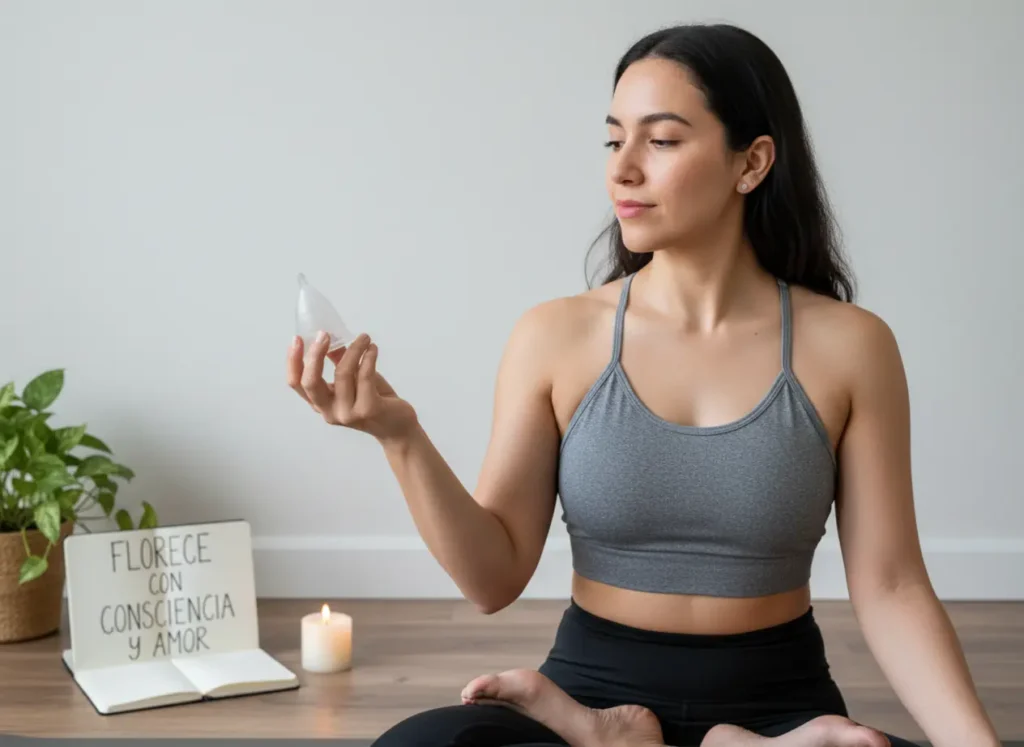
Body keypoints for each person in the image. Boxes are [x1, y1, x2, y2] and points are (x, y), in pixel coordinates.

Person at [286, 22, 1001, 747]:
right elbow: (492, 576)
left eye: (660, 141)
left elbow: (891, 587)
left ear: (750, 164)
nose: (622, 169)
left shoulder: (852, 345)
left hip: (783, 706)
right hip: (590, 692)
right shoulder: (555, 336)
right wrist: (399, 436)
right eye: (613, 139)